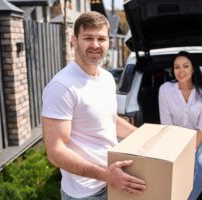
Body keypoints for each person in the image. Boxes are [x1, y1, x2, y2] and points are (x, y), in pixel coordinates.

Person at [41, 11, 146, 200]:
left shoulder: (106, 78)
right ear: (74, 40)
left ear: (109, 41)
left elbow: (109, 121)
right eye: (88, 38)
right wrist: (105, 174)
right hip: (85, 193)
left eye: (101, 38)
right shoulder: (62, 87)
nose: (96, 45)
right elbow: (55, 151)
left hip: (114, 181)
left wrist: (145, 137)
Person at [158, 51, 202, 200]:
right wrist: (179, 150)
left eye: (185, 66)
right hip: (172, 138)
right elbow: (166, 123)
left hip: (197, 138)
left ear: (193, 68)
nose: (181, 71)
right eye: (177, 67)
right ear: (173, 70)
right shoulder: (165, 90)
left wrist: (192, 148)